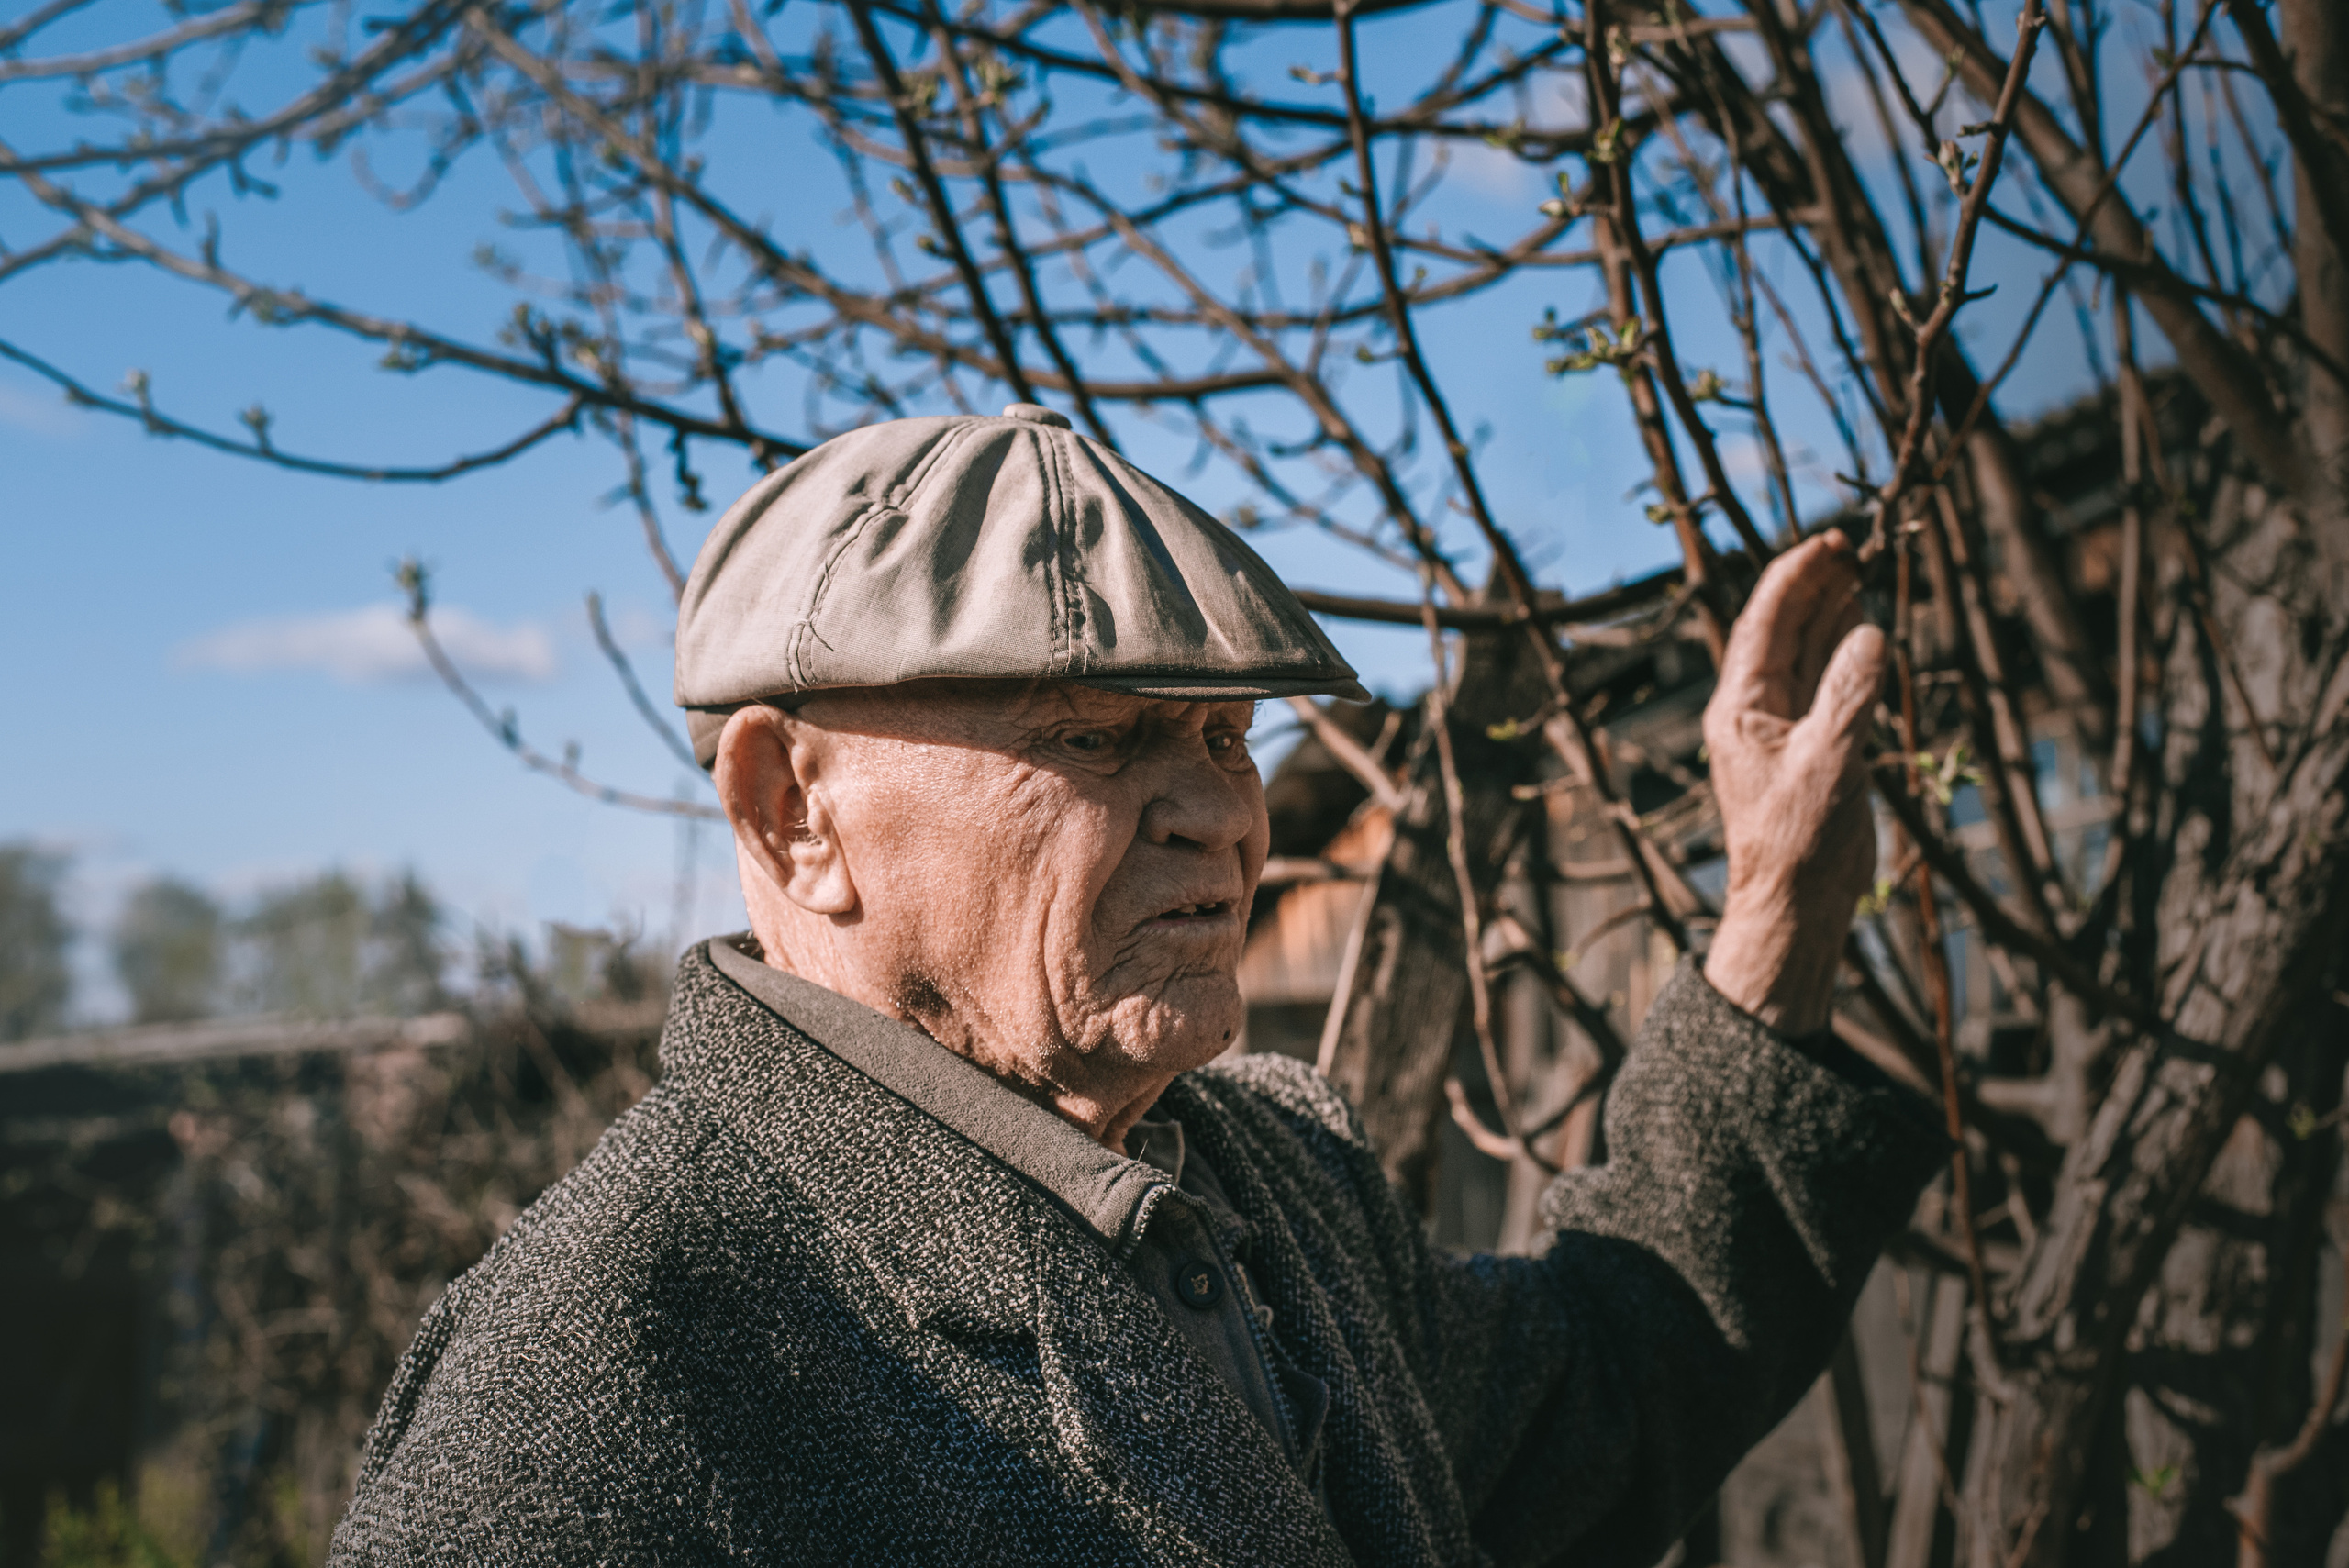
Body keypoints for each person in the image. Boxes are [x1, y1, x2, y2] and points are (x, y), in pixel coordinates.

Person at [329, 403, 1943, 1566]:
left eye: (1226, 732)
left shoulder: (1263, 1185)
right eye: (1097, 736)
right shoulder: (622, 1359)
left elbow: (1592, 1406)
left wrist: (1776, 921)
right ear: (791, 809)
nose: (1223, 817)